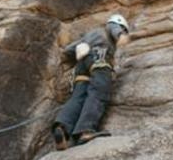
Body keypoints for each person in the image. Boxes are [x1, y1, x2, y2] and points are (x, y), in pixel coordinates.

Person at [52, 14, 130, 150]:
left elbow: (69, 50)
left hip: (82, 64)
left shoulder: (90, 34)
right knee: (99, 92)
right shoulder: (111, 26)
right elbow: (115, 29)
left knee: (78, 97)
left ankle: (62, 128)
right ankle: (85, 130)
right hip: (100, 57)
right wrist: (121, 36)